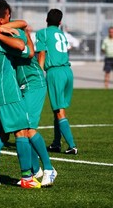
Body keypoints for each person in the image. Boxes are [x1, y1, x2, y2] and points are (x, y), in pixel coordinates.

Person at [0, 0, 41, 189]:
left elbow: (21, 24)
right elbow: (23, 48)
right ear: (4, 17)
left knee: (1, 135)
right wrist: (2, 34)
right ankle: (27, 177)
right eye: (8, 16)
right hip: (7, 93)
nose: (10, 18)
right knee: (21, 131)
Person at [14, 28, 57, 187]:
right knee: (20, 129)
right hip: (23, 86)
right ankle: (35, 170)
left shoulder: (16, 38)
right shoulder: (10, 33)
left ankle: (49, 169)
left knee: (29, 129)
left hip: (34, 85)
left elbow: (35, 51)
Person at [36, 8, 77, 155]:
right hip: (67, 71)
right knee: (58, 109)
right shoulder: (61, 34)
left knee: (59, 111)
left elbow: (41, 52)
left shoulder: (43, 33)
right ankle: (56, 143)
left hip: (55, 72)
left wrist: (39, 72)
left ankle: (72, 145)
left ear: (46, 19)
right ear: (60, 22)